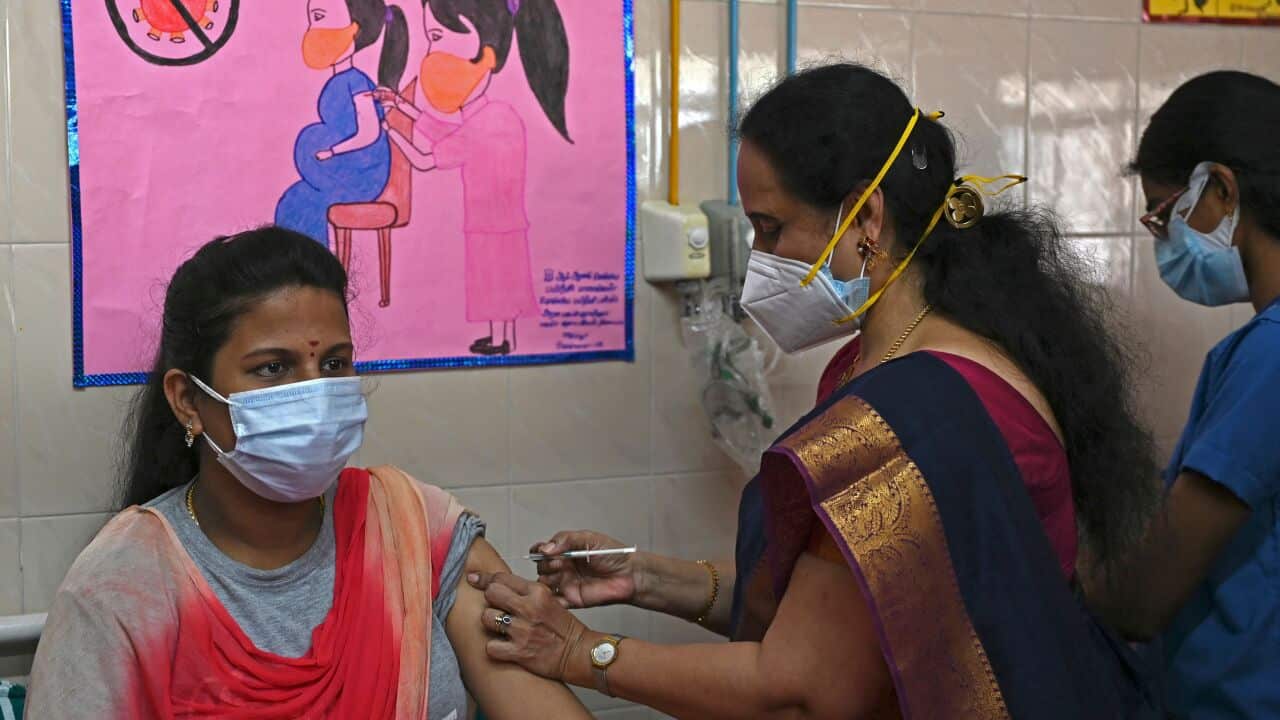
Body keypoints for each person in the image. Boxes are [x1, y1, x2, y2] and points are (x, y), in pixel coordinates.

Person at [467, 63, 1163, 718]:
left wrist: (579, 651)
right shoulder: (874, 365)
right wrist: (646, 578)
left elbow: (799, 690)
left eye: (771, 229)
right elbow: (851, 600)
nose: (759, 261)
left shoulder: (921, 408)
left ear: (866, 217)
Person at [26, 227, 591, 719]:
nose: (316, 395)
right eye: (273, 367)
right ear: (188, 401)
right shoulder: (122, 589)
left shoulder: (412, 531)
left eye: (334, 363)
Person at [1083, 71, 1280, 719]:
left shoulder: (1269, 357)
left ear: (1221, 189)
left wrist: (1058, 573)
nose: (1164, 242)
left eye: (1165, 215)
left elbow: (1144, 598)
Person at [376, 0, 571, 356]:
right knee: (503, 282)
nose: (429, 56)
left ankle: (500, 340)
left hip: (488, 225)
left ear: (487, 55)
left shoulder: (483, 126)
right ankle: (503, 337)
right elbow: (448, 135)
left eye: (437, 38)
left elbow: (425, 159)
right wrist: (403, 107)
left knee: (495, 284)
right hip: (506, 221)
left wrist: (392, 131)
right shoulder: (496, 116)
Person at [274, 0, 408, 245]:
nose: (312, 31)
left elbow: (369, 133)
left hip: (362, 175)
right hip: (344, 171)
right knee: (295, 200)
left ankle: (315, 264)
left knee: (309, 205)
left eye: (319, 17)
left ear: (354, 28)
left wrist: (332, 151)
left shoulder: (356, 83)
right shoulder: (340, 80)